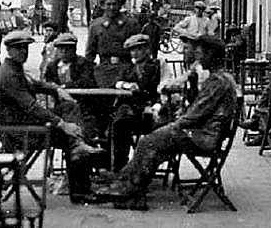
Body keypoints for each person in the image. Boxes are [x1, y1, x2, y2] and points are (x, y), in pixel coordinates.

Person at [97, 35, 237, 210]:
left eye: (200, 53)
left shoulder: (217, 81)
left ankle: (127, 187)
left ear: (211, 54)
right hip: (205, 133)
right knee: (154, 144)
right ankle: (128, 186)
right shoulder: (222, 78)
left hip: (204, 137)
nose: (198, 57)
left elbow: (195, 115)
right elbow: (198, 110)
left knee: (148, 141)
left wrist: (174, 125)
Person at [0, 30, 104, 204]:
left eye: (25, 48)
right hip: (21, 132)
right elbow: (31, 106)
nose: (23, 52)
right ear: (9, 50)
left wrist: (56, 89)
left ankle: (79, 149)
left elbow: (36, 84)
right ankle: (81, 192)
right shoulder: (9, 74)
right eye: (18, 49)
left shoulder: (15, 69)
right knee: (70, 135)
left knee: (68, 110)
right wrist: (62, 124)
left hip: (24, 127)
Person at [110, 34, 161, 171]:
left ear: (146, 50)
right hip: (131, 110)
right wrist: (128, 85)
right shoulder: (128, 68)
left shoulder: (157, 66)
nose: (135, 53)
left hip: (150, 110)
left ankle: (139, 169)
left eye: (139, 49)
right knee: (118, 123)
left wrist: (156, 107)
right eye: (132, 50)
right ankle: (120, 167)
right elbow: (118, 83)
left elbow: (163, 88)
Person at [85, 0, 140, 65]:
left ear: (120, 5)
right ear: (103, 6)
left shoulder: (131, 24)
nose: (112, 7)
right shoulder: (95, 26)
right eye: (108, 4)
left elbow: (140, 49)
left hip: (127, 68)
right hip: (104, 68)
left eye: (114, 4)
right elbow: (90, 52)